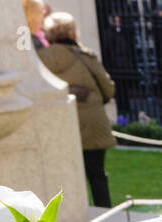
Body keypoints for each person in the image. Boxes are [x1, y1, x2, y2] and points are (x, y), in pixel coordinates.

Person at [37, 12, 115, 208]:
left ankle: (73, 213)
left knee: (66, 176)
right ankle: (104, 211)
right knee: (97, 173)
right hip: (92, 122)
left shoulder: (41, 59)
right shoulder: (87, 56)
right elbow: (108, 88)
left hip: (61, 123)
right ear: (72, 32)